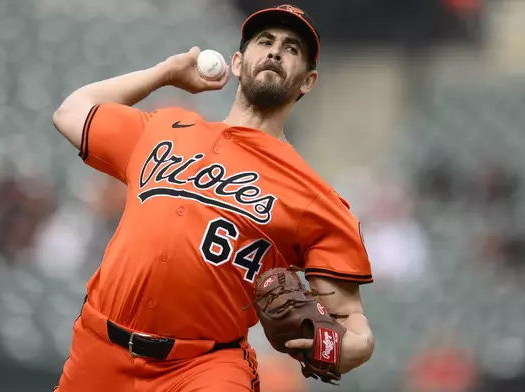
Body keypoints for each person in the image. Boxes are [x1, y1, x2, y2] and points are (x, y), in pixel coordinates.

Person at [51, 4, 374, 392]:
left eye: (291, 49)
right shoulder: (165, 127)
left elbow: (355, 330)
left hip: (203, 368)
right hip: (99, 350)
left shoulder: (314, 198)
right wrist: (164, 74)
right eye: (265, 41)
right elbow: (71, 112)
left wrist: (334, 347)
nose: (275, 51)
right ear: (237, 62)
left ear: (307, 81)